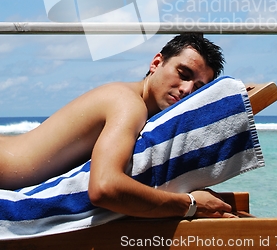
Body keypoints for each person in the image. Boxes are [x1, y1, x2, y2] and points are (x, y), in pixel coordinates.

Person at [0, 33, 236, 219]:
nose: (186, 90)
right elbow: (105, 187)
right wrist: (190, 205)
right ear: (156, 63)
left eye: (197, 88)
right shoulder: (128, 105)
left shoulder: (132, 104)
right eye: (183, 73)